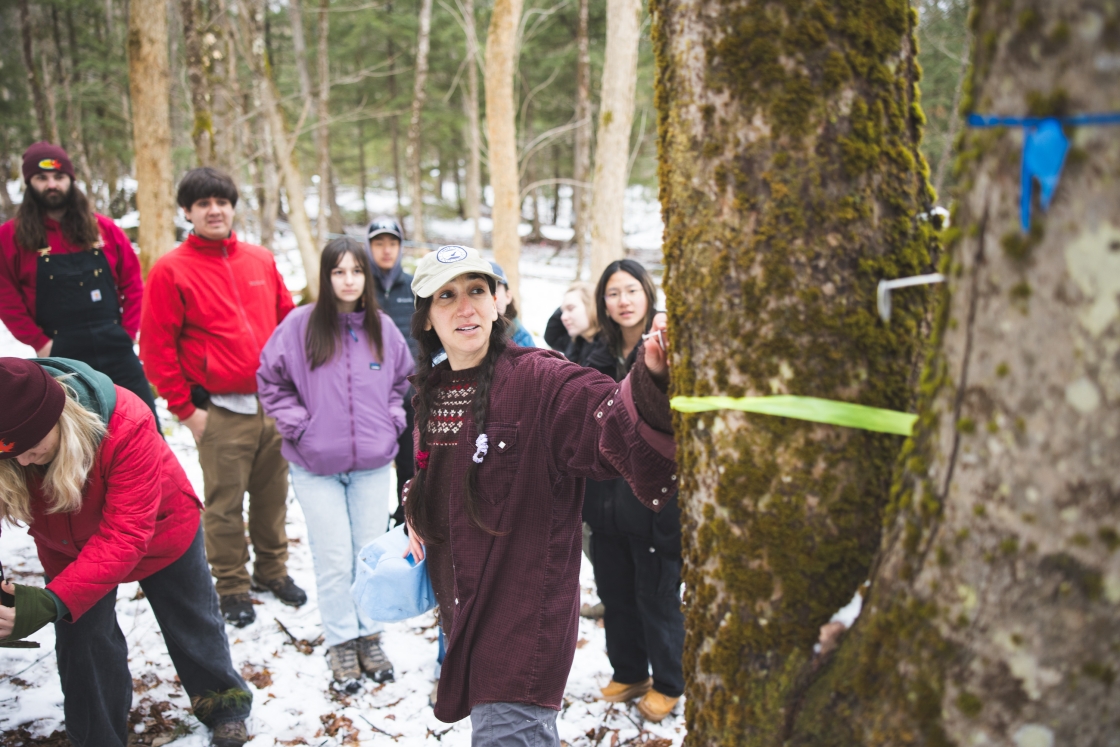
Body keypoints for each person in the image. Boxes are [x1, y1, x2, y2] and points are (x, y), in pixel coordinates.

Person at [398, 244, 677, 744]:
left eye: (477, 291)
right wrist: (415, 506)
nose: (466, 307)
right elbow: (431, 471)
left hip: (523, 623)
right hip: (463, 611)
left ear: (498, 301)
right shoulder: (431, 391)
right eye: (447, 296)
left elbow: (608, 422)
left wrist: (653, 379)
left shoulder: (542, 380)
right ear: (425, 318)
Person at [0, 357, 251, 747]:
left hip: (159, 530)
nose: (21, 461)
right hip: (65, 545)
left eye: (33, 448)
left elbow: (126, 534)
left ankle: (225, 706)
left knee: (192, 624)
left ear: (59, 419)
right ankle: (97, 739)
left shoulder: (126, 422)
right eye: (7, 456)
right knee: (82, 644)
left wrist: (51, 603)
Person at [139, 167, 306, 628]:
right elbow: (155, 349)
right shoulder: (171, 270)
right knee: (225, 504)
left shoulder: (259, 260)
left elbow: (289, 328)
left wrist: (294, 393)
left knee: (273, 499)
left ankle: (272, 572)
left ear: (232, 207)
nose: (214, 210)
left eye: (222, 201)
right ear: (188, 212)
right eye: (203, 203)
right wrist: (187, 412)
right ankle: (231, 585)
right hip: (218, 412)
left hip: (271, 407)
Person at [258, 237, 413, 692]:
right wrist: (298, 425)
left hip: (369, 465)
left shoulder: (382, 327)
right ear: (326, 278)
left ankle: (369, 634)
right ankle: (342, 640)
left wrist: (392, 421)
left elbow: (402, 381)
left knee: (367, 556)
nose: (348, 280)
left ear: (366, 278)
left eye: (356, 272)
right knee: (332, 559)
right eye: (338, 272)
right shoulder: (299, 325)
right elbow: (270, 379)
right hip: (315, 465)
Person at [582, 259, 685, 722]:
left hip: (652, 500)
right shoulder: (594, 353)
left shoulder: (668, 351)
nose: (623, 301)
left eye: (631, 291)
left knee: (656, 595)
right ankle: (629, 671)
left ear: (648, 293)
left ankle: (668, 681)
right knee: (615, 592)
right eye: (612, 293)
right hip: (603, 497)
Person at [0, 143, 158, 420]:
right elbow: (5, 296)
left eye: (59, 177)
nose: (52, 185)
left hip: (117, 349)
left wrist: (128, 331)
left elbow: (134, 284)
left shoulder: (104, 229)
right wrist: (39, 341)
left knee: (143, 424)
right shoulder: (10, 238)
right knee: (78, 442)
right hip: (61, 355)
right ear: (29, 183)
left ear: (71, 180)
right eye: (42, 178)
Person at [366, 216, 417, 527]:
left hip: (410, 394)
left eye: (392, 243)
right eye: (379, 243)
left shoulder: (414, 287)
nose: (386, 250)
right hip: (368, 395)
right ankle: (371, 520)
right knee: (371, 464)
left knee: (410, 463)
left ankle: (404, 520)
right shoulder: (358, 286)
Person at [488, 261, 535, 347]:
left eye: (493, 288)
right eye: (478, 291)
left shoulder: (523, 342)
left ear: (508, 296)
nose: (488, 297)